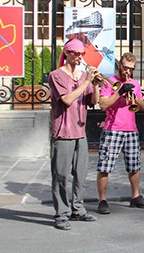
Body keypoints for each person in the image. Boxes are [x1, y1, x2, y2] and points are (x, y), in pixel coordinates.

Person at [48, 38, 100, 231]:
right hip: (63, 131)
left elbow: (93, 102)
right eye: (76, 54)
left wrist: (95, 84)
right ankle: (61, 213)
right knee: (61, 175)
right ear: (67, 53)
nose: (79, 57)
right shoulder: (56, 76)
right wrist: (86, 80)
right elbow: (67, 100)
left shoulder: (82, 75)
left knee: (80, 174)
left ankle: (78, 209)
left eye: (82, 54)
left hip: (80, 131)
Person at [96, 52, 144, 215]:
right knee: (105, 166)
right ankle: (102, 200)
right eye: (125, 67)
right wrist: (119, 92)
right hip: (112, 129)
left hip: (131, 130)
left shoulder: (134, 83)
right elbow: (103, 104)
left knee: (134, 166)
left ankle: (135, 196)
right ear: (120, 65)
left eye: (131, 69)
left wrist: (132, 94)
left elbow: (142, 106)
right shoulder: (109, 82)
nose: (127, 71)